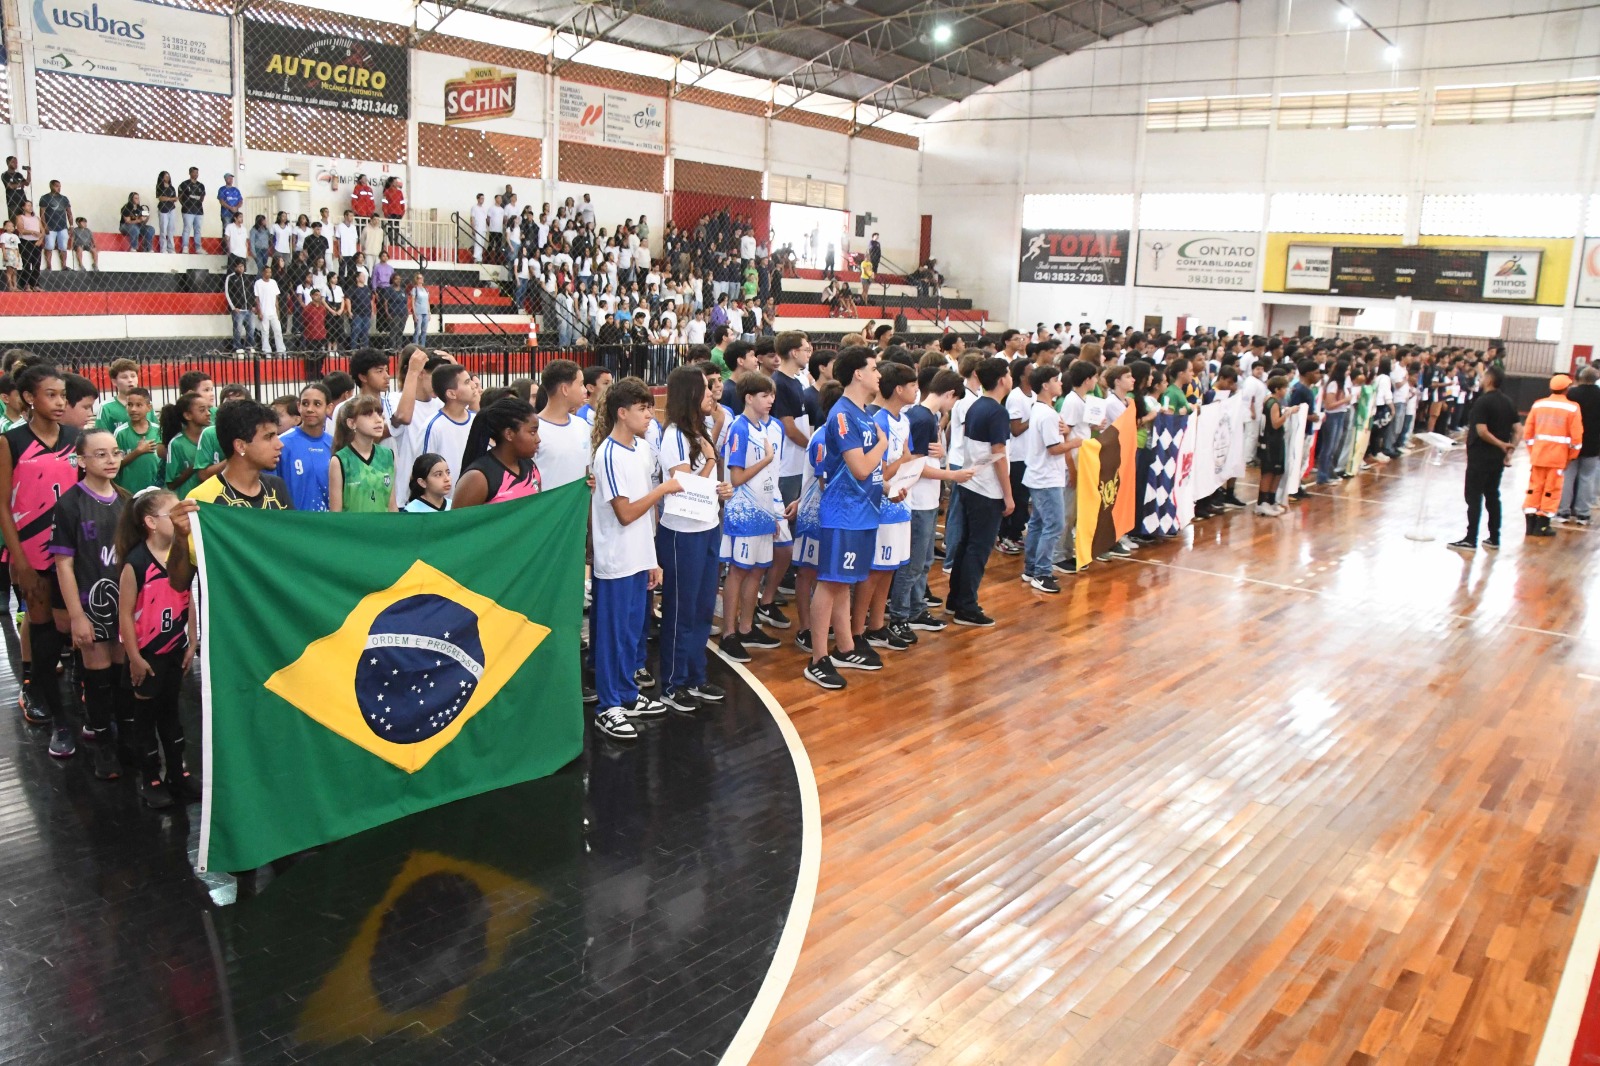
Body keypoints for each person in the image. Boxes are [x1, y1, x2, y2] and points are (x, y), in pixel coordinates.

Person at [591, 378, 683, 740]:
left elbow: (647, 516)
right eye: (642, 409)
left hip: (638, 555)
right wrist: (662, 489)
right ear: (622, 413)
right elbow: (626, 513)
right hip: (615, 560)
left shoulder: (643, 450)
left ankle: (627, 695)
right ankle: (608, 706)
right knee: (613, 637)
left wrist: (652, 558)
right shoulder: (608, 454)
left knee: (631, 634)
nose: (649, 415)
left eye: (649, 407)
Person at [0, 365, 80, 736]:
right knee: (42, 625)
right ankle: (35, 689)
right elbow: (3, 505)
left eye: (63, 395)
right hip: (33, 550)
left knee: (73, 622)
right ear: (30, 398)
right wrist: (20, 561)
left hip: (72, 548)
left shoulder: (76, 438)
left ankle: (83, 686)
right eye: (51, 394)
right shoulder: (11, 441)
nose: (60, 401)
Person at [804, 347, 886, 690]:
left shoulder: (863, 413)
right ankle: (817, 659)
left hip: (864, 512)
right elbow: (861, 467)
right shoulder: (842, 415)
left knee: (843, 582)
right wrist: (882, 444)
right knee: (831, 582)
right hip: (844, 513)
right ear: (858, 374)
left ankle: (845, 647)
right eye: (874, 368)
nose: (879, 374)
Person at [48, 429, 127, 777]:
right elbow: (63, 564)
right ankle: (103, 747)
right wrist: (77, 616)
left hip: (124, 606)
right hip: (90, 606)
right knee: (98, 678)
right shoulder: (70, 504)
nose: (110, 460)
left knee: (123, 676)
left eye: (115, 452)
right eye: (101, 454)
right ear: (81, 460)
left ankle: (127, 741)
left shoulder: (126, 500)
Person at [654, 366, 733, 713]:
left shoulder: (699, 431)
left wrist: (722, 490)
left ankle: (696, 675)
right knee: (680, 609)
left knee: (702, 606)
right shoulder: (674, 435)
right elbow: (684, 485)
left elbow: (706, 485)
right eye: (705, 388)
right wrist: (712, 461)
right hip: (682, 532)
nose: (712, 393)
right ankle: (673, 683)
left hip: (708, 525)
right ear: (689, 394)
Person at [116, 489, 197, 808]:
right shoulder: (135, 563)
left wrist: (192, 639)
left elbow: (188, 598)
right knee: (146, 719)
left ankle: (178, 774)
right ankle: (150, 778)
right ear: (151, 522)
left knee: (171, 715)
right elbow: (125, 614)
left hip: (174, 649)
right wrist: (134, 657)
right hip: (147, 656)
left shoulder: (182, 556)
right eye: (173, 513)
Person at [887, 367, 969, 636]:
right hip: (918, 499)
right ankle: (901, 614)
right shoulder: (921, 418)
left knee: (922, 562)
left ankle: (915, 608)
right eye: (954, 400)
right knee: (913, 564)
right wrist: (951, 475)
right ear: (949, 394)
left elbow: (926, 458)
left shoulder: (927, 416)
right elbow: (915, 465)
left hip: (928, 498)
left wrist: (942, 457)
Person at [717, 371, 782, 662]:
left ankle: (746, 627)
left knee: (757, 570)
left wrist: (773, 514)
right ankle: (728, 633)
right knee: (739, 571)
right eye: (765, 395)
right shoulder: (739, 428)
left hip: (763, 511)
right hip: (743, 513)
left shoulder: (762, 428)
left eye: (772, 395)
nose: (770, 400)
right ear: (748, 398)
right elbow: (736, 477)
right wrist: (766, 459)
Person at [946, 358, 1015, 626]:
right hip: (986, 489)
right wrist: (1008, 494)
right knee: (978, 547)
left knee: (967, 544)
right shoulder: (997, 412)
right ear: (1002, 379)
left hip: (970, 484)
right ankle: (966, 605)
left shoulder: (976, 405)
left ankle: (956, 599)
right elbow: (999, 455)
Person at [857, 362, 916, 649]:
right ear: (899, 389)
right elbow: (876, 473)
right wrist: (904, 461)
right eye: (913, 385)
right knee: (874, 571)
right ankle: (858, 630)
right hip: (881, 506)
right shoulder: (877, 421)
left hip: (901, 504)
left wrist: (907, 464)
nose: (917, 390)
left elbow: (908, 461)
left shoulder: (903, 420)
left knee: (889, 569)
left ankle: (877, 626)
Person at [1450, 364, 1520, 552]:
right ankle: (1494, 538)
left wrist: (1501, 444)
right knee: (1492, 496)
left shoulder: (1482, 402)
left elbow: (1481, 431)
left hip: (1480, 457)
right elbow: (1518, 430)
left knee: (1474, 497)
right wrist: (1508, 451)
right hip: (1497, 459)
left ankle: (1470, 539)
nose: (1481, 379)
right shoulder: (1508, 402)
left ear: (1489, 380)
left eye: (1484, 376)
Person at [1022, 365, 1068, 593]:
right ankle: (1041, 572)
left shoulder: (1040, 409)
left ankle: (1031, 568)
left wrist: (1065, 432)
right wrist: (1076, 442)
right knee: (1054, 524)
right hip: (1046, 477)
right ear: (1045, 385)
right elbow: (1054, 448)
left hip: (1039, 474)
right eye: (1056, 380)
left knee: (1038, 524)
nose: (1060, 383)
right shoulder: (1047, 413)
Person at [1522, 373, 1583, 538]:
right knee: (1551, 490)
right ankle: (1542, 526)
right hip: (1558, 458)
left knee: (1534, 488)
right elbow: (1576, 438)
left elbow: (1528, 433)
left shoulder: (1538, 405)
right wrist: (1571, 456)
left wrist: (1533, 451)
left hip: (1538, 455)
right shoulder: (1573, 408)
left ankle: (1530, 525)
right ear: (1567, 389)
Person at [452, 397, 539, 507]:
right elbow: (458, 518)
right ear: (509, 434)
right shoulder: (478, 477)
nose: (538, 439)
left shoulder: (531, 467)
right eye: (532, 432)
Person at [328, 396, 396, 513]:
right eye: (368, 414)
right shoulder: (340, 460)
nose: (378, 420)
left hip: (384, 524)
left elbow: (392, 505)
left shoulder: (387, 455)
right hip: (352, 525)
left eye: (379, 414)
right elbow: (336, 512)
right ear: (352, 423)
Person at [533, 360, 592, 491]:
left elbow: (585, 472)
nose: (585, 390)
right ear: (565, 389)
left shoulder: (582, 425)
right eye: (581, 384)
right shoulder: (535, 429)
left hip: (577, 503)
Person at [275, 383, 333, 511]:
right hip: (293, 521)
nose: (310, 409)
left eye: (317, 404)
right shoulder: (282, 444)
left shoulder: (335, 445)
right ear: (298, 407)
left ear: (329, 408)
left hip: (328, 521)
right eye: (305, 403)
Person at [422, 363, 479, 485]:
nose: (474, 385)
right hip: (446, 496)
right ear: (451, 394)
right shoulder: (434, 426)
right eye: (467, 382)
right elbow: (424, 468)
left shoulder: (477, 420)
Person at [1557, 365, 1600, 526]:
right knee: (1587, 478)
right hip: (1593, 443)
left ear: (1580, 377)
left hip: (1571, 442)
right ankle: (1583, 514)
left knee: (1567, 477)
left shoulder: (1571, 394)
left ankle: (1563, 511)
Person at [159, 392, 216, 498]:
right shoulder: (177, 443)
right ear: (188, 415)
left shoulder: (212, 436)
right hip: (187, 500)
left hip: (210, 499)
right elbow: (171, 484)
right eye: (202, 410)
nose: (208, 413)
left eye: (208, 409)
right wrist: (197, 465)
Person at [114, 388, 164, 495]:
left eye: (139, 405)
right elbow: (116, 463)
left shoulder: (158, 430)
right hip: (128, 491)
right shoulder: (120, 433)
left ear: (149, 407)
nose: (133, 409)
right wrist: (138, 452)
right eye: (130, 405)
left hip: (154, 490)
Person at [1255, 375, 1290, 516]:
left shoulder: (1268, 399)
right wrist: (1287, 414)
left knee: (1277, 472)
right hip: (1271, 441)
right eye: (1284, 388)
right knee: (1269, 472)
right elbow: (1275, 424)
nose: (1286, 391)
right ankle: (1262, 503)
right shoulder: (1273, 403)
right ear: (1277, 389)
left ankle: (1271, 501)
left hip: (1272, 440)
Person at [37, 179, 72, 271]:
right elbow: (42, 214)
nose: (59, 188)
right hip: (50, 227)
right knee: (49, 246)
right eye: (56, 186)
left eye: (60, 186)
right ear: (51, 186)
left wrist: (71, 225)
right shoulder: (45, 198)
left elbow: (69, 212)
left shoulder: (64, 198)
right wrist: (45, 226)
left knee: (63, 247)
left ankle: (64, 266)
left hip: (62, 226)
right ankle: (49, 266)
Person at [254, 264, 286, 355]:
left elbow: (276, 298)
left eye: (270, 272)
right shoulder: (258, 283)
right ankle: (266, 351)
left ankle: (281, 351)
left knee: (278, 331)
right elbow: (257, 299)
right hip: (264, 311)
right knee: (265, 332)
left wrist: (278, 311)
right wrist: (259, 312)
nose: (269, 274)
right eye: (267, 272)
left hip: (273, 312)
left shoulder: (273, 282)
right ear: (263, 273)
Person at [225, 258, 252, 351]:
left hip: (248, 309)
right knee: (238, 329)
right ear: (235, 267)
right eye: (239, 266)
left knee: (251, 329)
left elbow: (251, 292)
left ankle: (249, 346)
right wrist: (233, 307)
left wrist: (252, 305)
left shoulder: (247, 277)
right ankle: (237, 347)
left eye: (242, 266)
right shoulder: (230, 277)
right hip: (238, 310)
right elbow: (227, 293)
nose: (241, 268)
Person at [176, 167, 205, 253]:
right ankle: (185, 247)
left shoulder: (201, 185)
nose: (196, 174)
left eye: (197, 173)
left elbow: (202, 197)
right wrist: (185, 205)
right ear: (190, 173)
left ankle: (198, 248)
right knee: (187, 229)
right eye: (194, 172)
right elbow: (180, 197)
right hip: (187, 211)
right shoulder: (184, 184)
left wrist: (197, 202)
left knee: (197, 230)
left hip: (199, 211)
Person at [15, 201, 42, 290]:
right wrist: (32, 232)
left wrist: (40, 240)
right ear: (23, 207)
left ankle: (35, 285)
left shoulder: (36, 218)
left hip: (36, 242)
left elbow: (42, 231)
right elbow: (21, 230)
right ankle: (25, 284)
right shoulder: (20, 217)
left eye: (31, 205)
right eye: (28, 205)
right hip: (25, 241)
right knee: (26, 263)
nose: (30, 207)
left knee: (36, 264)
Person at [216, 173, 243, 238]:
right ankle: (225, 244)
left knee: (236, 230)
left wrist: (236, 207)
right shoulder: (222, 189)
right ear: (225, 179)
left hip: (235, 214)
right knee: (227, 231)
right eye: (229, 178)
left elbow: (240, 200)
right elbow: (222, 201)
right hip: (226, 214)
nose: (231, 180)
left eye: (231, 178)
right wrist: (230, 208)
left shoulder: (236, 190)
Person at [410, 273, 430, 345]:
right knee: (417, 330)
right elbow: (413, 302)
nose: (421, 279)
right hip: (418, 312)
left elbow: (427, 301)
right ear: (416, 280)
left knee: (424, 331)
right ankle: (415, 346)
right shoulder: (415, 289)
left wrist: (429, 312)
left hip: (425, 312)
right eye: (419, 278)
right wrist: (414, 314)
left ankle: (422, 346)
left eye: (422, 278)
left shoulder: (425, 289)